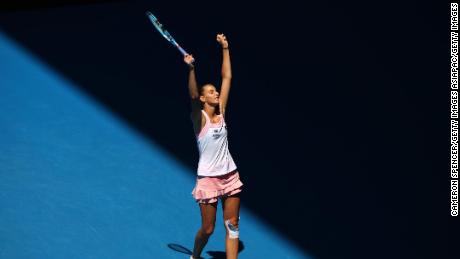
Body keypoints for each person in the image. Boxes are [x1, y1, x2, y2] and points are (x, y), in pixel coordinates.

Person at [184, 33, 243, 259]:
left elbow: (227, 78)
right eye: (210, 92)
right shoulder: (199, 120)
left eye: (215, 91)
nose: (216, 93)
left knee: (233, 225)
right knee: (208, 229)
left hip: (230, 175)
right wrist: (191, 70)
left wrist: (225, 48)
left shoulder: (222, 112)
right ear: (202, 99)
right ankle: (195, 255)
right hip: (208, 179)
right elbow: (191, 94)